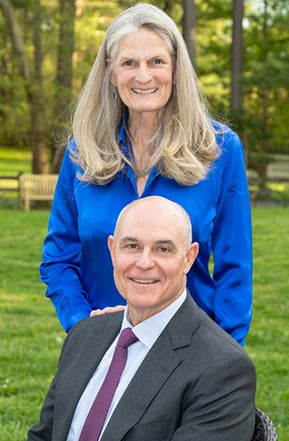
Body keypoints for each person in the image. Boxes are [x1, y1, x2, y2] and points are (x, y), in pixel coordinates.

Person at [0, 196, 256, 441]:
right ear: (112, 250)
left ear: (189, 258)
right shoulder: (86, 335)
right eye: (131, 246)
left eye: (163, 249)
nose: (144, 262)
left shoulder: (221, 368)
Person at [40, 3, 252, 346]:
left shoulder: (220, 150)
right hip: (102, 347)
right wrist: (82, 325)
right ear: (111, 73)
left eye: (156, 62)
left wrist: (224, 356)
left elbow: (235, 271)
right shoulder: (83, 153)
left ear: (175, 68)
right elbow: (58, 259)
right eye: (129, 63)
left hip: (190, 350)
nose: (143, 76)